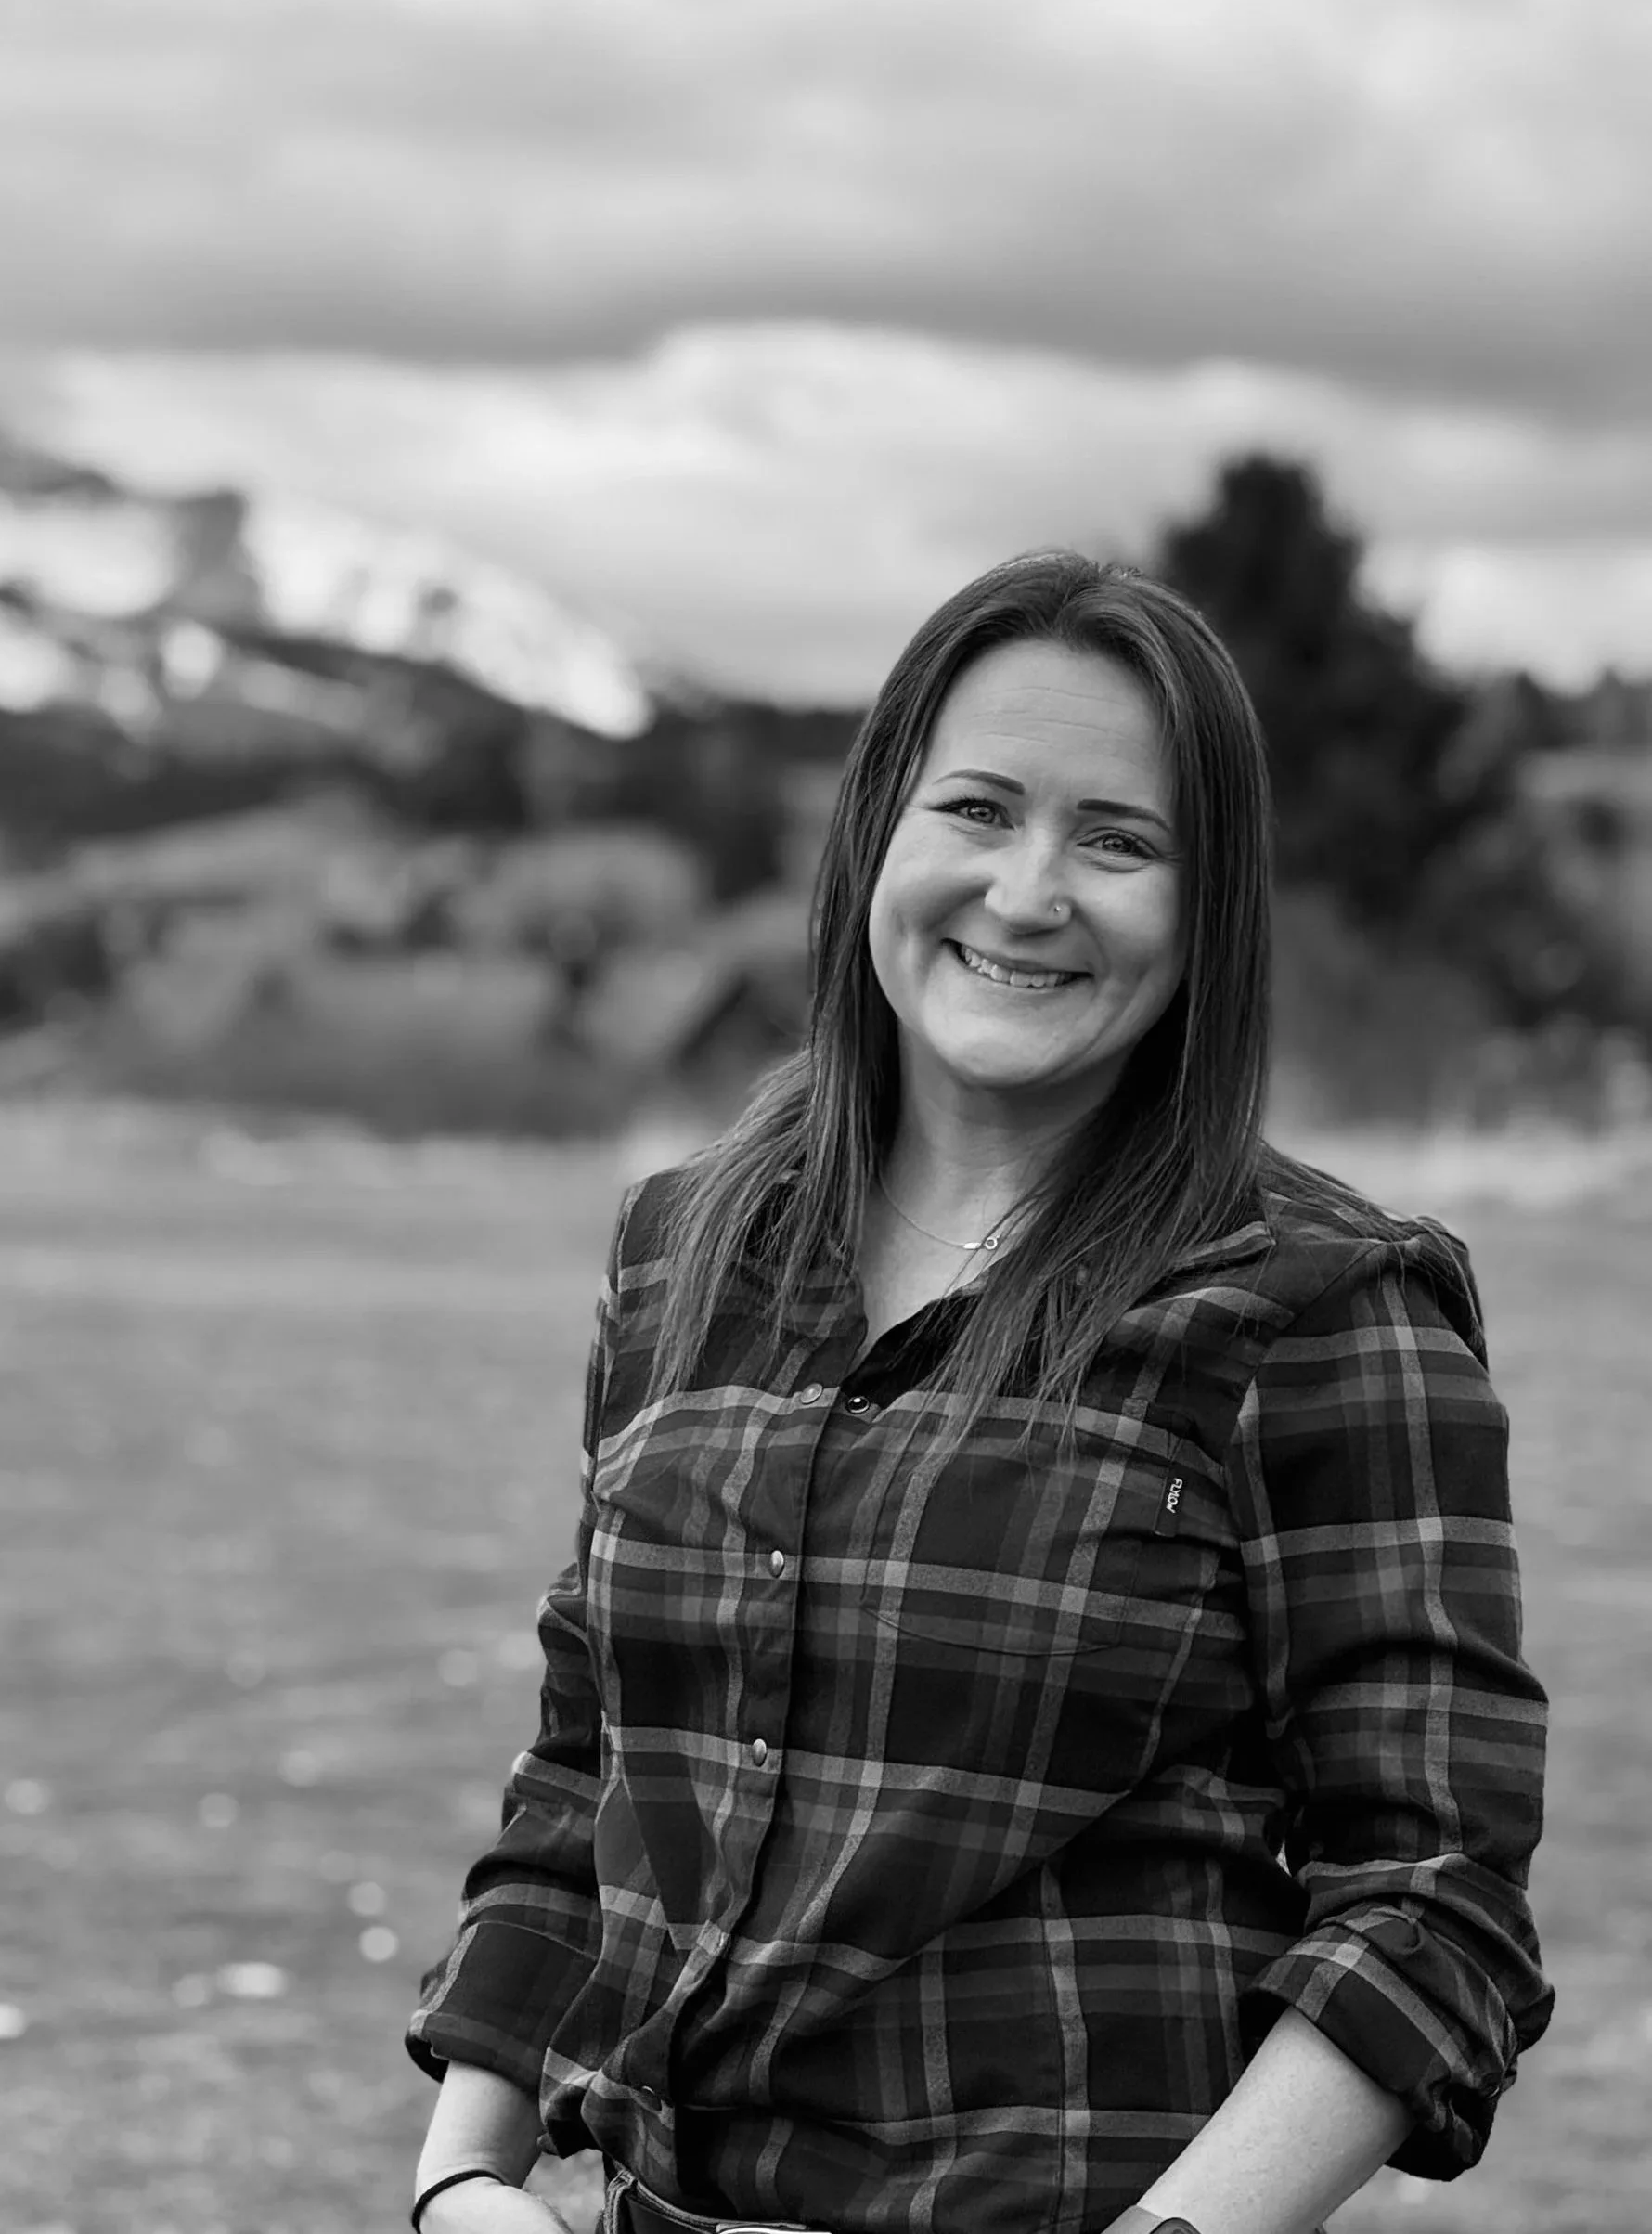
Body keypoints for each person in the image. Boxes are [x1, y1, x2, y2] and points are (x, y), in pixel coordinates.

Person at [404, 553, 1552, 2234]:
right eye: (980, 810)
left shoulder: (1320, 1309)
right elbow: (593, 1768)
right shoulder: (682, 1253)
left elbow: (1436, 1901)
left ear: (1208, 905)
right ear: (878, 834)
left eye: (1117, 839)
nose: (1029, 893)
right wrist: (461, 2179)